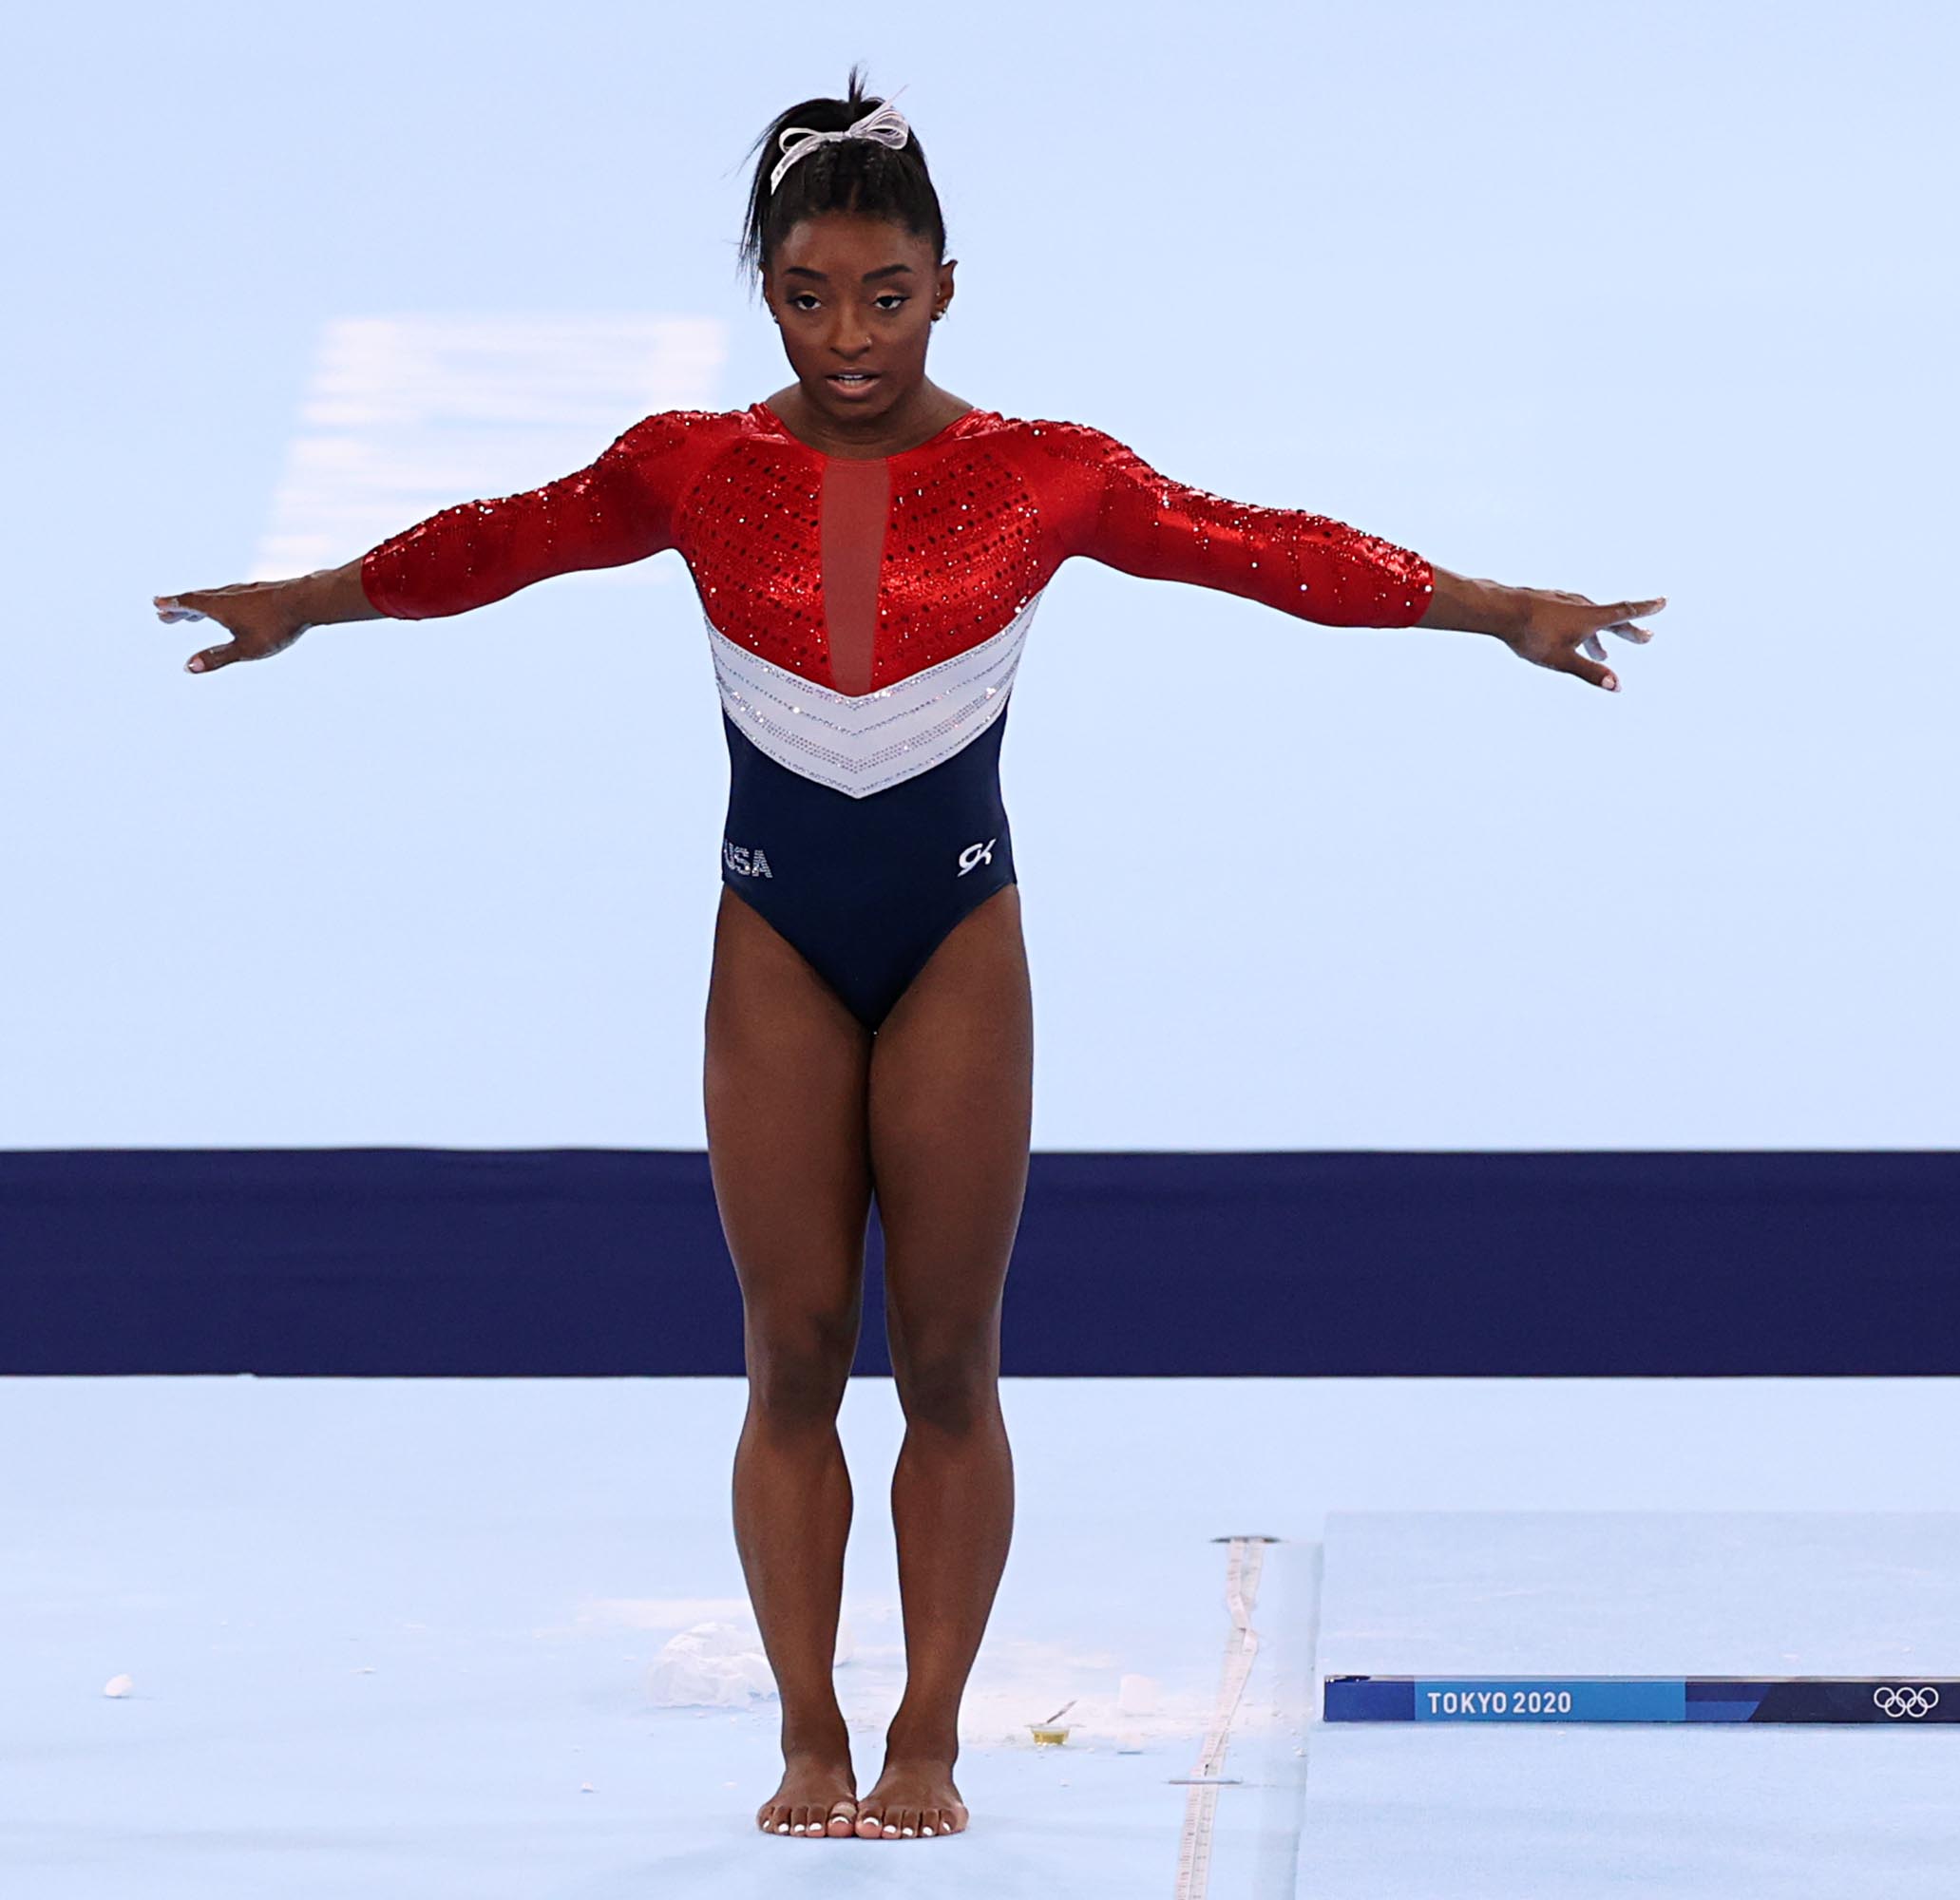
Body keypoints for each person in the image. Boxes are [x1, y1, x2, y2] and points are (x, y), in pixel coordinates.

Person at [153, 68, 1663, 1845]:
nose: (848, 337)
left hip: (953, 928)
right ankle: (808, 1734)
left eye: (885, 295)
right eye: (808, 297)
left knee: (947, 1360)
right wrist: (301, 601)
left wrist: (1497, 612)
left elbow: (1267, 553)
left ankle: (927, 1737)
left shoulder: (1045, 476)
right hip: (777, 930)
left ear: (948, 281)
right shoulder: (689, 468)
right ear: (765, 291)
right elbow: (495, 545)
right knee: (790, 1355)